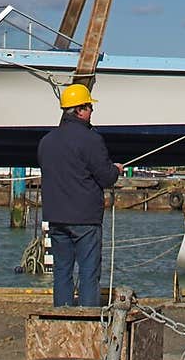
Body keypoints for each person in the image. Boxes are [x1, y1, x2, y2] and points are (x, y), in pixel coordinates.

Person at [36, 82, 124, 308]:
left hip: (56, 217)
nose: (92, 111)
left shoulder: (46, 142)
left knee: (62, 271)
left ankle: (62, 317)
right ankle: (87, 321)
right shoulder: (91, 139)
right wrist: (116, 170)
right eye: (89, 107)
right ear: (80, 110)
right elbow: (106, 177)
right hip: (85, 218)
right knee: (88, 272)